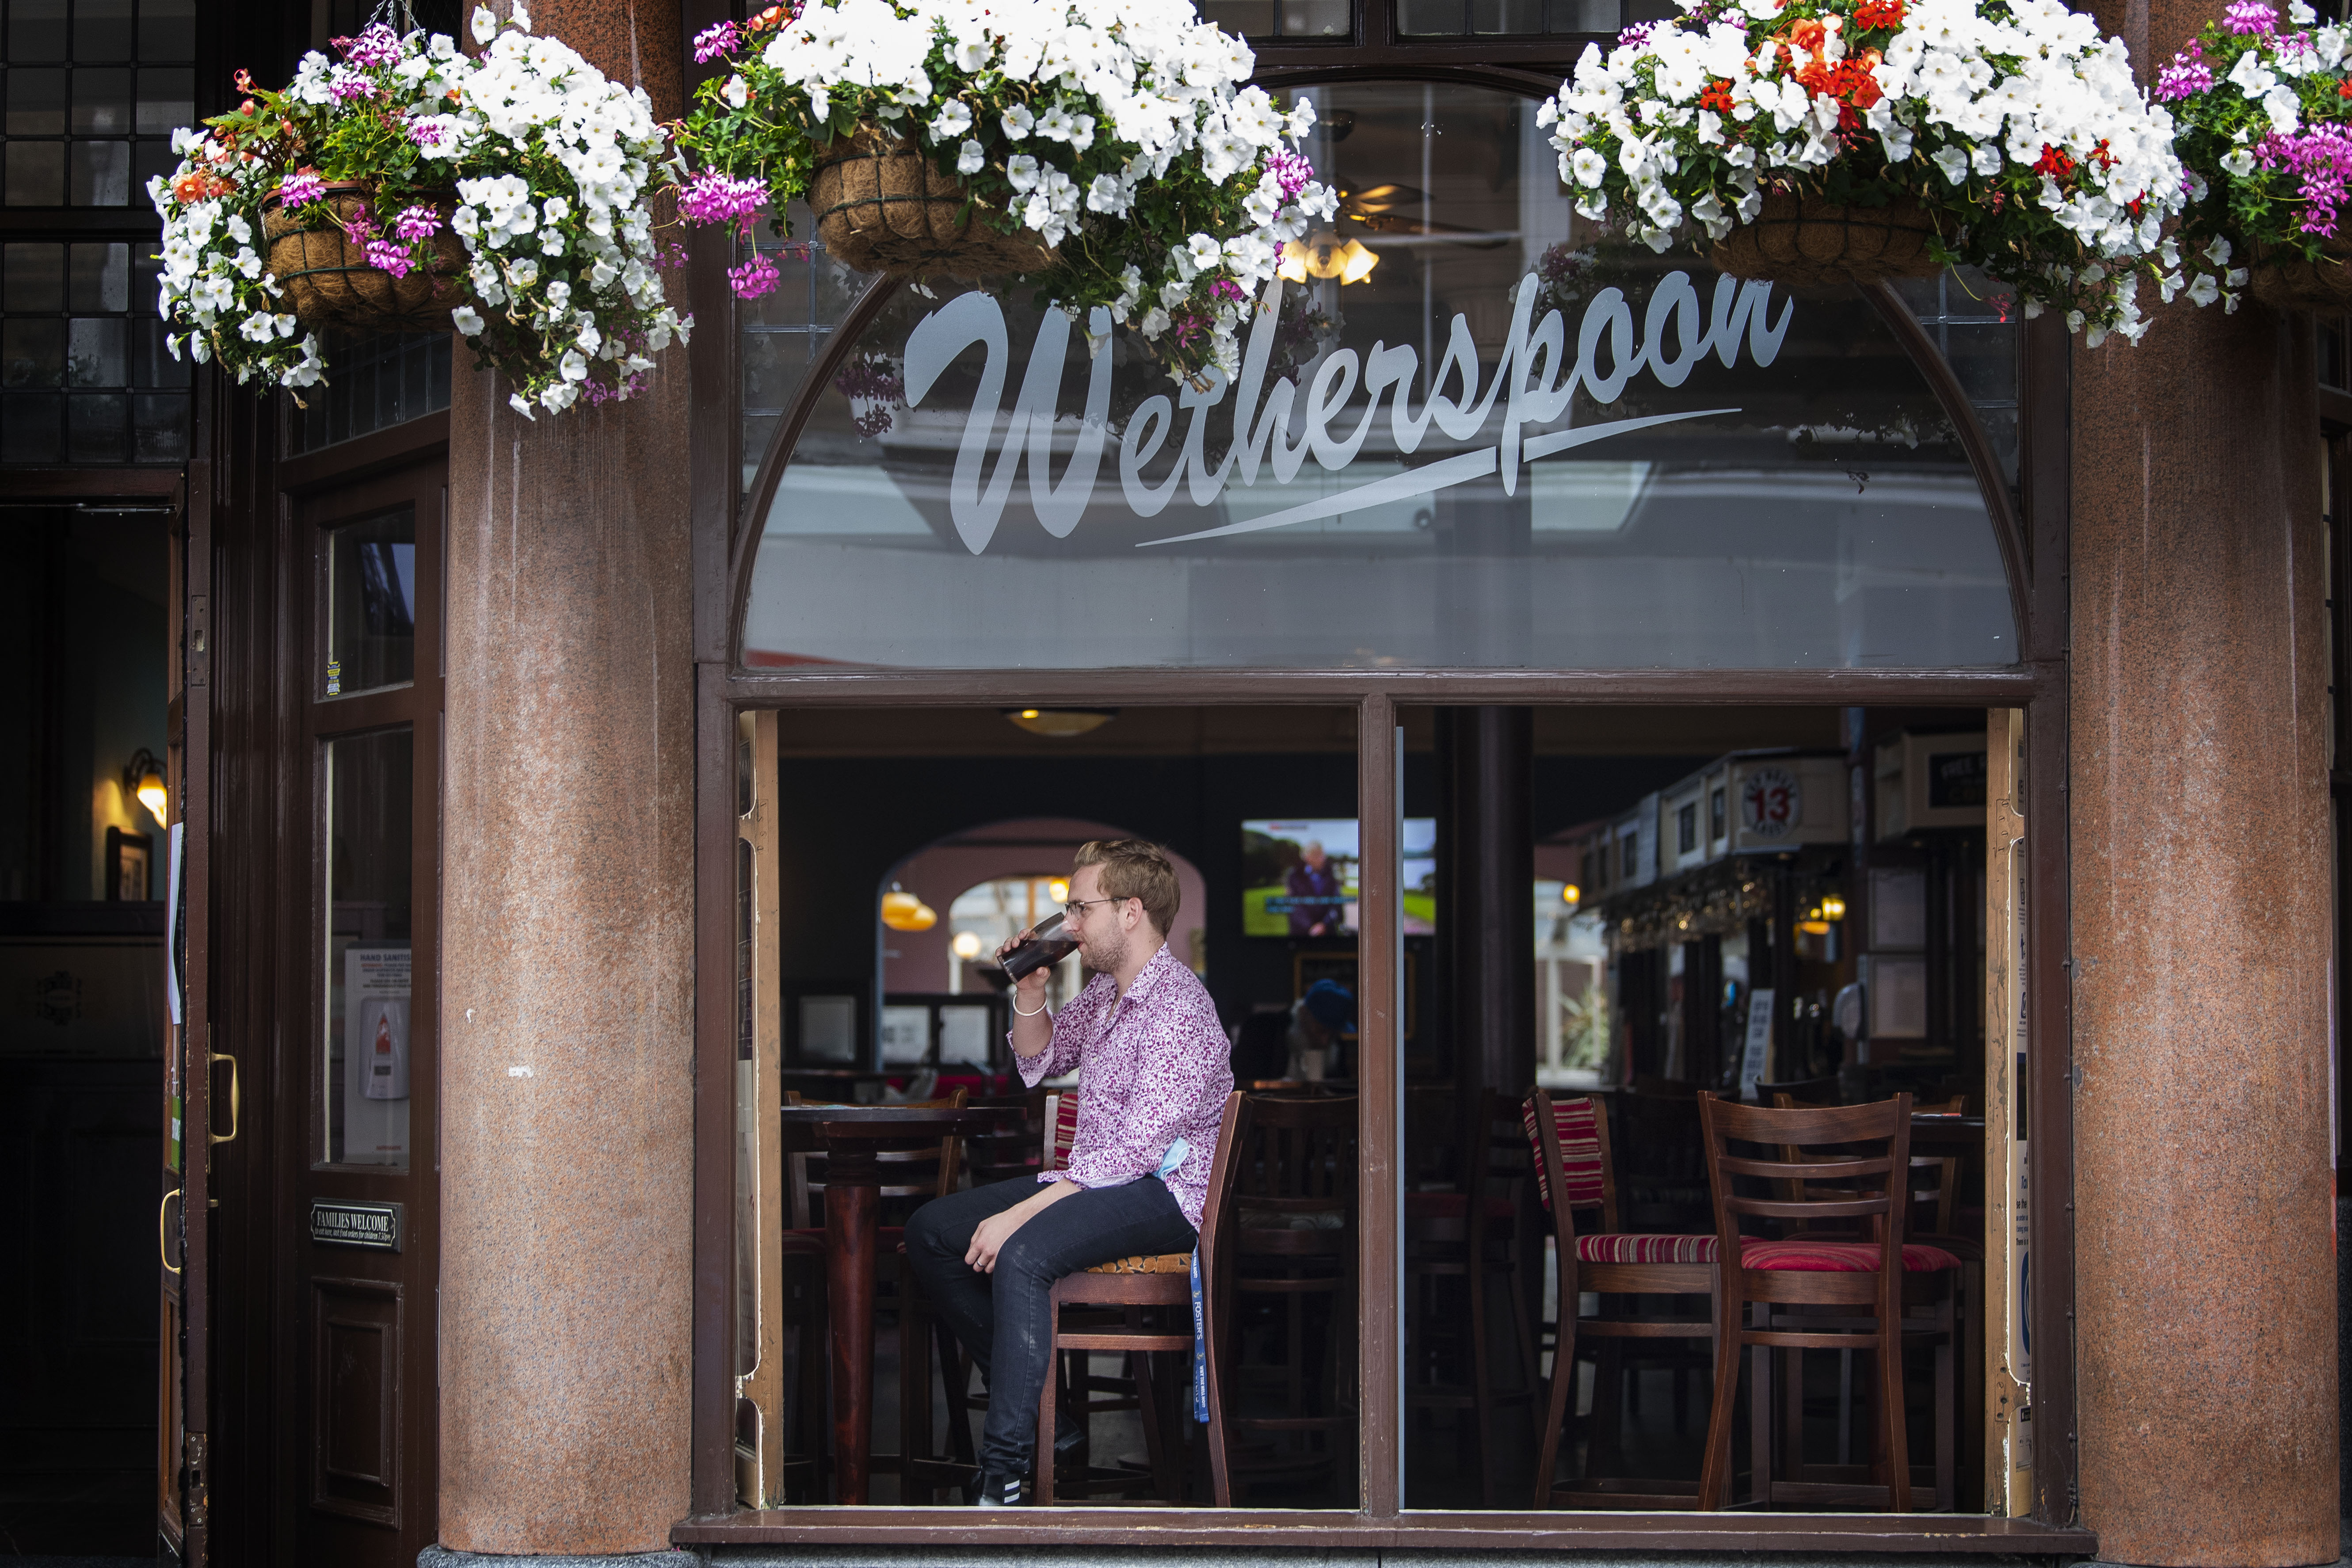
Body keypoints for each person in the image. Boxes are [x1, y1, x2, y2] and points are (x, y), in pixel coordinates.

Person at [904, 839, 1233, 1507]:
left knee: (1022, 1252)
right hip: (1099, 1178)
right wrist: (1030, 985)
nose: (1071, 923)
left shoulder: (1177, 1006)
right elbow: (1043, 1058)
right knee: (931, 1228)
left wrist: (1020, 1214)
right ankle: (1056, 1427)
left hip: (1163, 1193)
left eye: (1081, 907)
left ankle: (1005, 1472)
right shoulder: (1107, 994)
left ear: (1132, 911)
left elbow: (1137, 1152)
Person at [1282, 839, 1346, 936]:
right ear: (1307, 858)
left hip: (1328, 934)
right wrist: (1310, 927)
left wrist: (1324, 924)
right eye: (1316, 855)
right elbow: (1292, 906)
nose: (1321, 859)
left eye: (1322, 855)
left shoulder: (1331, 876)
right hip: (1302, 934)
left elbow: (1336, 904)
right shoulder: (1294, 876)